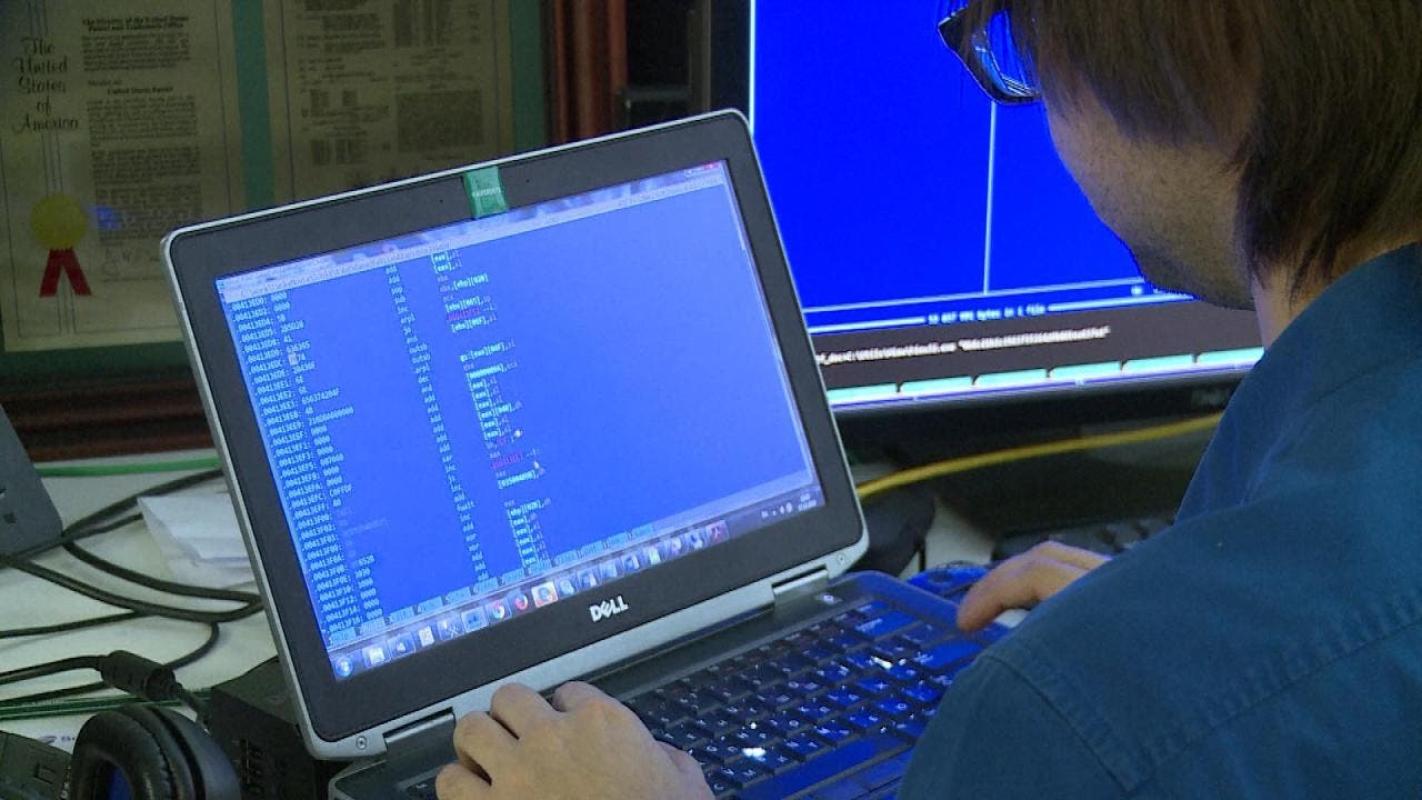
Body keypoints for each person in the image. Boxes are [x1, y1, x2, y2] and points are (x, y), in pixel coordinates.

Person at [434, 2, 1422, 797]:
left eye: (1034, 46)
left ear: (1209, 62)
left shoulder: (1065, 722)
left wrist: (1121, 685)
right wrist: (1175, 638)